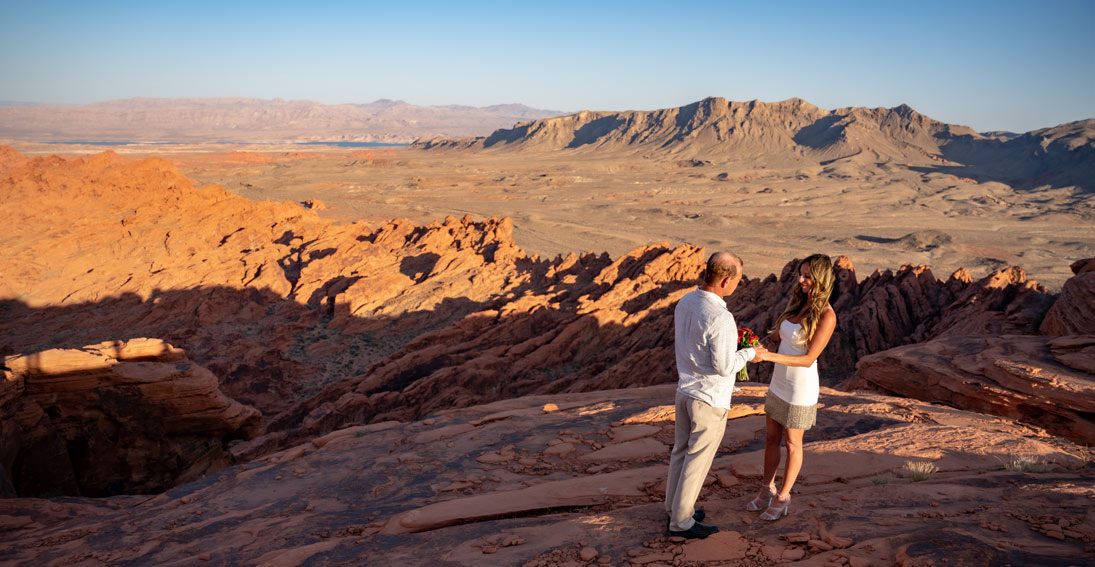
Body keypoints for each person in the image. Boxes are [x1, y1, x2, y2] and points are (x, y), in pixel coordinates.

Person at [666, 251, 766, 539]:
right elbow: (725, 367)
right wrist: (751, 353)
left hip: (685, 391)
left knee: (680, 453)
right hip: (708, 399)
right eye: (737, 280)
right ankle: (681, 522)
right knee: (697, 460)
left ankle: (674, 508)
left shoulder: (686, 301)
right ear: (724, 280)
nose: (737, 285)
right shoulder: (720, 316)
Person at [746, 254, 837, 521]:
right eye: (801, 274)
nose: (801, 280)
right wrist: (754, 343)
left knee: (792, 443)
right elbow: (779, 337)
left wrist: (769, 358)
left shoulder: (827, 315)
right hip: (779, 382)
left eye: (807, 276)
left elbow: (809, 359)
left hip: (800, 387)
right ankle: (766, 490)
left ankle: (783, 497)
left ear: (820, 279)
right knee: (771, 439)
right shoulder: (797, 303)